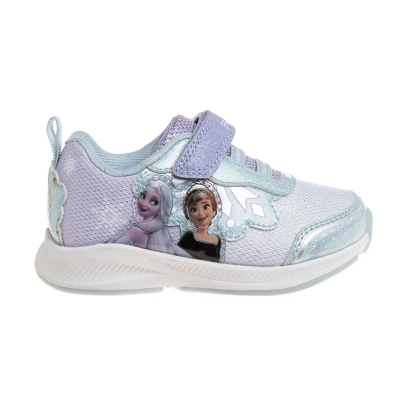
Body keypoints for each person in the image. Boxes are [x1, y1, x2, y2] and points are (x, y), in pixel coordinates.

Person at [117, 180, 188, 256]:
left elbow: (114, 249)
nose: (144, 203)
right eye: (143, 196)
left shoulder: (137, 231)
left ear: (162, 208)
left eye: (154, 202)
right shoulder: (162, 231)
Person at [178, 186, 221, 262]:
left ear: (214, 211)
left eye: (205, 207)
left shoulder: (217, 241)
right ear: (188, 215)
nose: (200, 213)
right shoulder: (189, 237)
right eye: (193, 209)